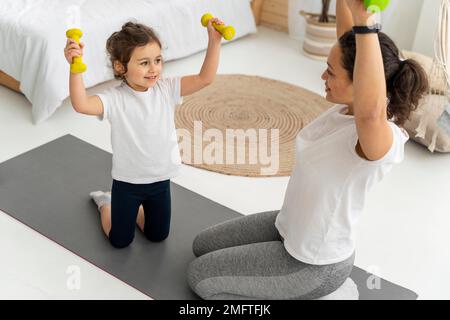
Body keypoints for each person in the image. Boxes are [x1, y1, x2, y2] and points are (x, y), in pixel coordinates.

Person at [187, 0, 429, 300]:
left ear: (361, 84)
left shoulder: (376, 136)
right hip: (289, 227)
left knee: (201, 278)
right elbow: (347, 38)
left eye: (330, 72)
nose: (322, 78)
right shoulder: (348, 106)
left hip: (312, 263)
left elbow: (371, 111)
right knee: (202, 245)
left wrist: (366, 22)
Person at [64, 19, 224, 248]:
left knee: (158, 235)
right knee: (120, 241)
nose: (154, 69)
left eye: (158, 60)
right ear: (121, 67)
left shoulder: (166, 88)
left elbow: (205, 79)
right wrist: (74, 66)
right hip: (127, 184)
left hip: (160, 182)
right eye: (144, 63)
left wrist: (214, 42)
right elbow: (81, 104)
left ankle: (134, 211)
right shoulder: (115, 99)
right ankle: (105, 202)